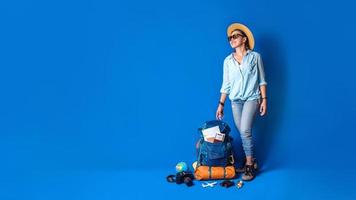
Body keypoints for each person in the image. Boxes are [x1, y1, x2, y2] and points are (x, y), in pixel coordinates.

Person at [216, 23, 268, 181]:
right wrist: (221, 104)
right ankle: (251, 159)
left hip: (252, 98)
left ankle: (250, 165)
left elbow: (262, 81)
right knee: (243, 132)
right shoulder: (227, 61)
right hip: (235, 101)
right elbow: (226, 85)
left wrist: (264, 99)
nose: (231, 39)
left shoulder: (255, 57)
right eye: (229, 38)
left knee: (245, 130)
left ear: (244, 39)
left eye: (235, 36)